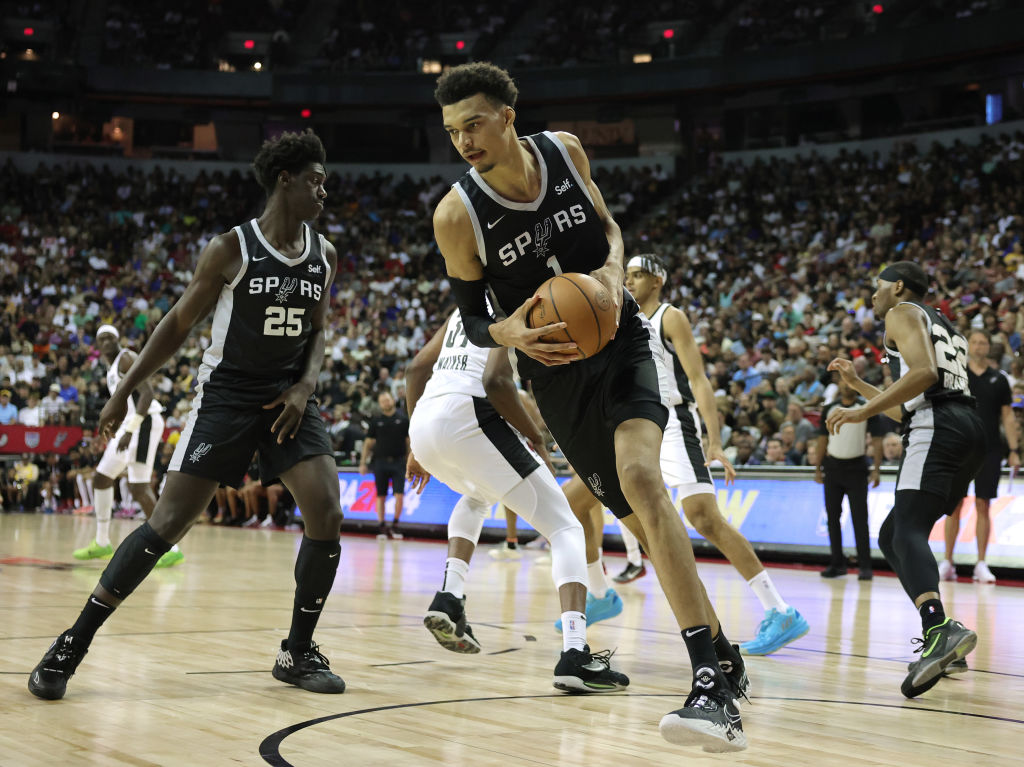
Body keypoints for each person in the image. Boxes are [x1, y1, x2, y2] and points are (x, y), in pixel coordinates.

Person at [432, 62, 747, 751]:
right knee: (641, 521)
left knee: (642, 481)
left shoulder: (564, 151)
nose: (465, 140)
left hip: (622, 342)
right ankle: (722, 647)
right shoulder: (457, 214)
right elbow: (473, 316)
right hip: (558, 379)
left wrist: (609, 275)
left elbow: (609, 230)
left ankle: (709, 689)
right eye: (454, 130)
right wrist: (508, 331)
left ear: (507, 117)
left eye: (475, 123)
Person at [28, 130, 346, 701]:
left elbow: (319, 330)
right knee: (169, 521)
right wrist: (125, 387)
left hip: (288, 397)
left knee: (325, 508)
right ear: (285, 179)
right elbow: (177, 325)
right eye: (317, 179)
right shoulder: (231, 248)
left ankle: (297, 650)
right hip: (225, 395)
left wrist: (305, 384)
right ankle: (72, 642)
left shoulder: (323, 253)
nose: (325, 190)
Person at [405, 308, 628, 692]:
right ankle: (575, 652)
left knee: (476, 497)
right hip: (469, 413)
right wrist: (536, 437)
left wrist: (414, 444)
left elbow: (414, 370)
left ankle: (450, 597)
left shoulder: (463, 311)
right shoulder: (514, 306)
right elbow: (495, 381)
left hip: (424, 421)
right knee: (566, 528)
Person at [624, 254, 808, 655]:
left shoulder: (670, 317)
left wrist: (715, 440)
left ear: (658, 280)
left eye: (637, 275)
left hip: (674, 422)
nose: (630, 281)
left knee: (704, 517)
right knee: (618, 499)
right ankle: (604, 581)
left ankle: (780, 611)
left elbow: (699, 380)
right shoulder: (625, 319)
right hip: (641, 422)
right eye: (627, 275)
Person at [826, 261, 984, 699]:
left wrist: (859, 413)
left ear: (898, 286)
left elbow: (924, 377)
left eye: (876, 288)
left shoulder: (901, 312)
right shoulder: (942, 323)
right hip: (966, 428)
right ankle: (945, 641)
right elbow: (908, 405)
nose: (871, 297)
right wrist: (859, 386)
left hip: (939, 427)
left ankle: (939, 628)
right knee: (895, 532)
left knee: (906, 530)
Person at [72, 325, 178, 567]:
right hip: (131, 425)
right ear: (97, 345)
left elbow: (147, 394)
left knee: (138, 486)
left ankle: (171, 548)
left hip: (144, 423)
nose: (107, 341)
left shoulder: (126, 358)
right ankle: (101, 543)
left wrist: (130, 430)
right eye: (102, 339)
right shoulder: (110, 368)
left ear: (118, 339)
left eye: (111, 337)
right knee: (101, 478)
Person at [940, 329, 1020, 584]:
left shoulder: (999, 379)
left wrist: (1015, 450)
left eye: (983, 342)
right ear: (968, 346)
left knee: (983, 504)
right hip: (960, 448)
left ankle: (981, 563)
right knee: (953, 506)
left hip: (990, 449)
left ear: (989, 346)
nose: (978, 346)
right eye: (974, 342)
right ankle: (948, 562)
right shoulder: (957, 375)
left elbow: (1007, 416)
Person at [815, 379, 886, 580]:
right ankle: (837, 563)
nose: (847, 386)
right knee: (832, 518)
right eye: (843, 383)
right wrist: (817, 468)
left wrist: (877, 469)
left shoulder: (866, 408)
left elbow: (878, 439)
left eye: (850, 382)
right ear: (839, 386)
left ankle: (865, 566)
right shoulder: (829, 408)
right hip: (833, 468)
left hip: (857, 468)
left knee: (860, 518)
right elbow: (822, 439)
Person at [359, 390, 409, 539]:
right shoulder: (376, 421)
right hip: (380, 462)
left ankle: (395, 525)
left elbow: (409, 442)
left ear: (392, 400)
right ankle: (381, 526)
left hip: (399, 462)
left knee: (399, 495)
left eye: (387, 400)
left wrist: (410, 460)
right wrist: (363, 462)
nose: (385, 403)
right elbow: (368, 443)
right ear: (380, 404)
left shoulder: (403, 419)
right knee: (380, 496)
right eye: (382, 401)